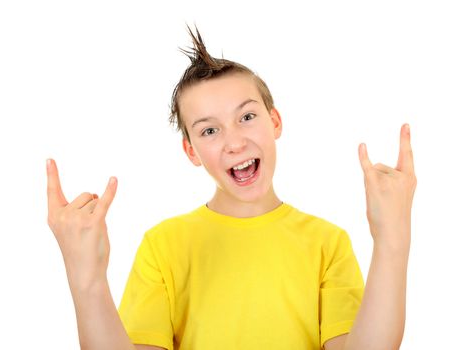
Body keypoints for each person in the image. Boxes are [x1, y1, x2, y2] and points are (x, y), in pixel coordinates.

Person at [46, 25, 417, 350]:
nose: (234, 142)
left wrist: (392, 238)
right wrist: (87, 280)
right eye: (210, 130)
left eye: (247, 116)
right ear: (191, 150)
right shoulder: (162, 245)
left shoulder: (327, 242)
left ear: (274, 121)